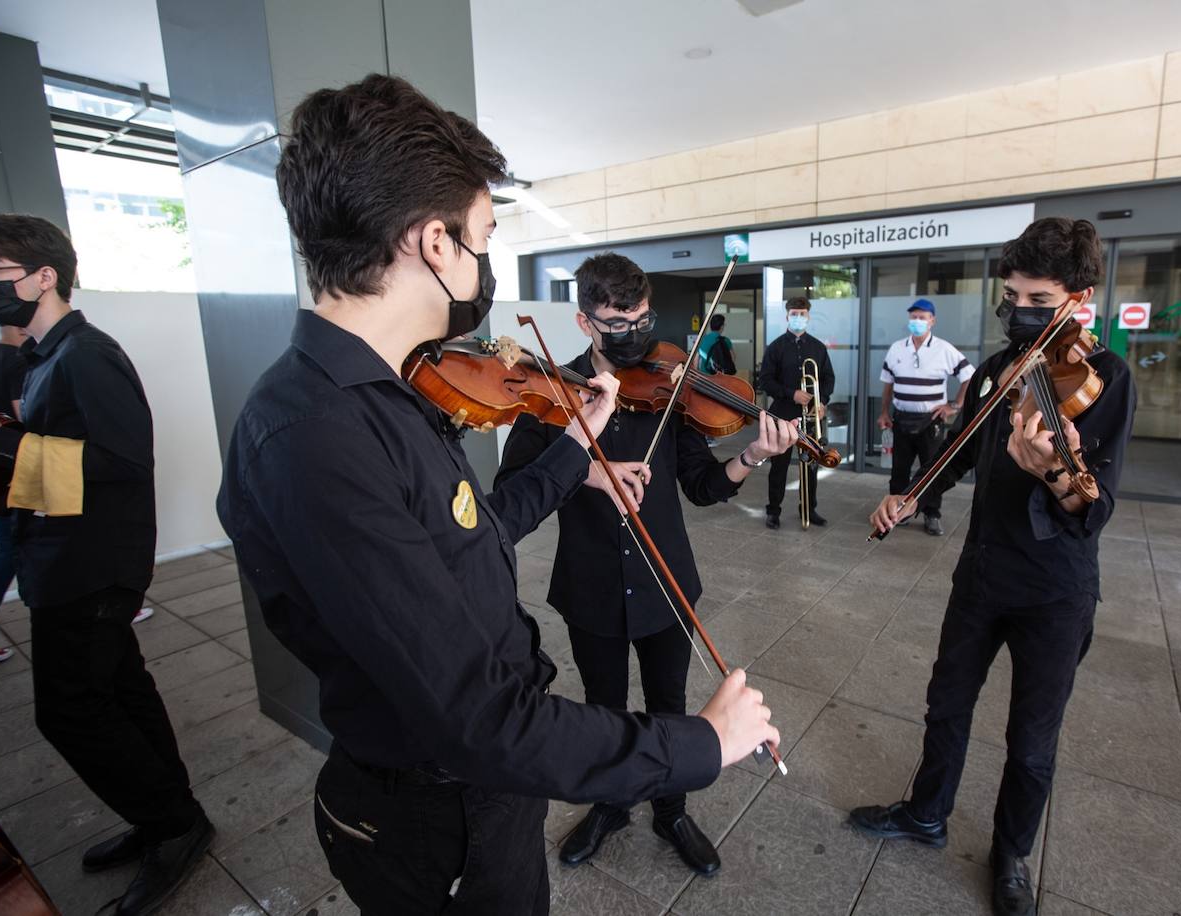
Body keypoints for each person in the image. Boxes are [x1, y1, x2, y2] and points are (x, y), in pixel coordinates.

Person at [215, 75, 777, 916]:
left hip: (484, 796)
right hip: (440, 815)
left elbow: (479, 530)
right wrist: (698, 743)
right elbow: (480, 718)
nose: (482, 264)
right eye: (481, 238)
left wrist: (574, 461)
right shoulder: (317, 436)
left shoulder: (388, 398)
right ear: (434, 244)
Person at [850, 218, 1136, 916]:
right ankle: (926, 811)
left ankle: (1012, 857)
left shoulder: (1104, 378)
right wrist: (909, 495)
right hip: (981, 574)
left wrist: (1054, 474)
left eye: (1037, 297)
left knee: (1031, 740)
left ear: (1080, 299)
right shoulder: (995, 367)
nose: (1019, 311)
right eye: (1011, 295)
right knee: (946, 704)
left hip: (1053, 590)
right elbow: (961, 453)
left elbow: (1094, 509)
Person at [497, 253, 796, 877]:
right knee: (603, 704)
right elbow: (515, 484)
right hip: (591, 582)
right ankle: (609, 805)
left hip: (667, 582)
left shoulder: (671, 385)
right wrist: (589, 476)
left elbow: (703, 485)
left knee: (668, 701)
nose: (635, 335)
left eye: (642, 319)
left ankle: (671, 809)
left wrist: (754, 457)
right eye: (617, 324)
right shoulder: (555, 391)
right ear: (586, 324)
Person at [0, 214, 210, 915]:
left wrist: (1, 443)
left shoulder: (86, 353)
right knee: (120, 691)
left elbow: (120, 462)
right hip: (63, 559)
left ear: (43, 275)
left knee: (71, 711)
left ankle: (173, 824)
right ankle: (168, 817)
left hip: (91, 566)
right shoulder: (47, 355)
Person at [876, 299, 975, 537]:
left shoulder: (944, 349)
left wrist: (956, 405)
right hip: (901, 419)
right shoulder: (897, 348)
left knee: (931, 470)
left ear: (932, 321)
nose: (917, 322)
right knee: (899, 470)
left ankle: (932, 514)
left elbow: (968, 376)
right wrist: (884, 412)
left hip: (930, 421)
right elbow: (888, 384)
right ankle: (896, 512)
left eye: (922, 317)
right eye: (914, 317)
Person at [758, 296, 834, 529]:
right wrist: (792, 394)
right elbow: (765, 380)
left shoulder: (818, 348)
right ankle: (773, 511)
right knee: (779, 466)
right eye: (794, 313)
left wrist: (822, 402)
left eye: (802, 314)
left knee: (811, 466)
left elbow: (828, 378)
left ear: (808, 316)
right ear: (787, 316)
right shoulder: (776, 346)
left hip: (811, 417)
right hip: (782, 414)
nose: (798, 317)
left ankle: (809, 509)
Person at [0, 324, 25, 663]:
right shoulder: (17, 360)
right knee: (12, 546)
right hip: (18, 470)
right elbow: (25, 415)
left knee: (9, 544)